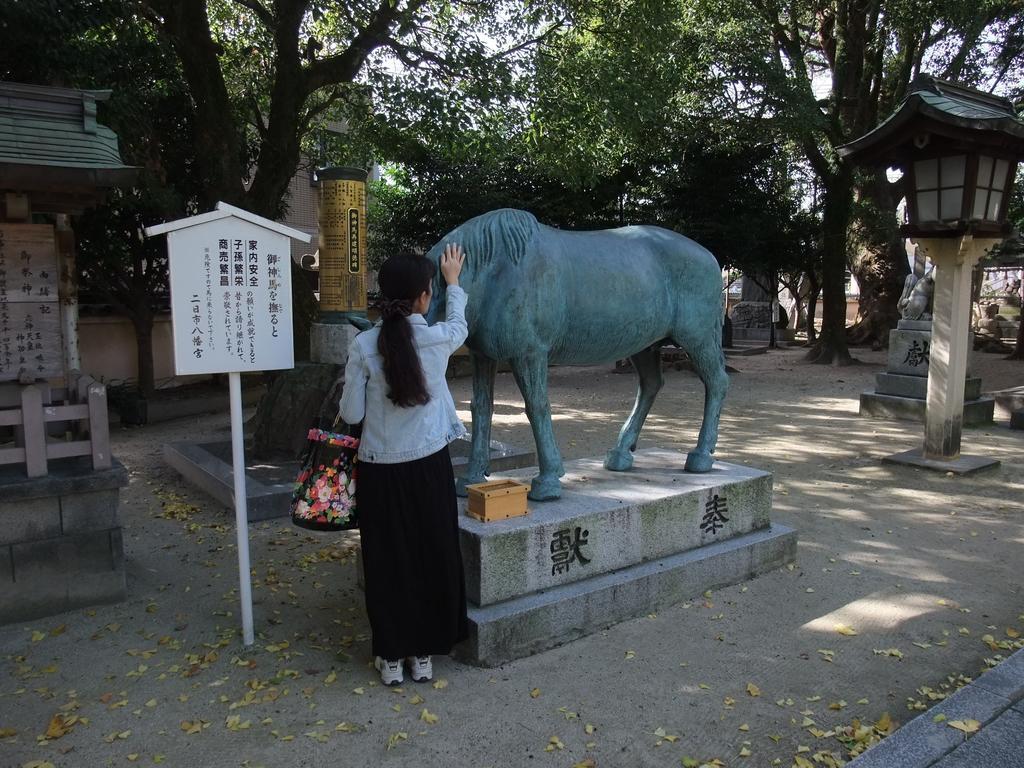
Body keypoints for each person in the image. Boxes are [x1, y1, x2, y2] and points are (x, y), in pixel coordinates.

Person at [339, 244, 469, 686]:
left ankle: (391, 657)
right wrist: (455, 283)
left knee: (389, 560)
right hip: (429, 466)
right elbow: (458, 325)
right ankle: (424, 654)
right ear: (423, 297)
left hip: (379, 469)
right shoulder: (437, 339)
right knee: (432, 553)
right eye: (430, 290)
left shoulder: (362, 345)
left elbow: (352, 415)